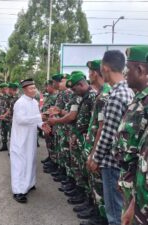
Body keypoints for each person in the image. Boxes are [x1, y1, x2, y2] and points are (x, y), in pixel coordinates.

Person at [89, 50, 134, 225]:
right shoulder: (129, 91)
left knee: (114, 213)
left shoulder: (116, 96)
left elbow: (108, 133)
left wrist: (95, 158)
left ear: (105, 68)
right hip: (122, 162)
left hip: (111, 162)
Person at [110, 46, 148, 225]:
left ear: (140, 70)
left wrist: (134, 203)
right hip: (132, 185)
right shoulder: (139, 98)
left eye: (128, 69)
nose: (125, 74)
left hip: (141, 200)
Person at [80, 60, 111, 225]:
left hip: (99, 150)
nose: (89, 74)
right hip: (93, 146)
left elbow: (102, 128)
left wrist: (94, 154)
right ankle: (95, 211)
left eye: (91, 72)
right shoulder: (100, 94)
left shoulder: (105, 95)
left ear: (96, 73)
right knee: (95, 184)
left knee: (100, 186)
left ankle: (101, 218)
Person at [10, 78, 50, 203]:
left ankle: (29, 184)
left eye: (34, 88)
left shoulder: (34, 102)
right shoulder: (20, 103)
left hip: (31, 138)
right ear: (24, 90)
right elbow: (21, 120)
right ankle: (18, 191)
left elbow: (37, 120)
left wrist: (42, 125)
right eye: (31, 88)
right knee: (20, 164)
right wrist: (40, 116)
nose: (34, 90)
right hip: (21, 139)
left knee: (31, 161)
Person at [40, 80, 58, 164]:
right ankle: (50, 157)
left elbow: (53, 110)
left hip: (51, 122)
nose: (46, 88)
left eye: (47, 86)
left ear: (51, 86)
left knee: (52, 142)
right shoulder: (50, 96)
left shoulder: (55, 97)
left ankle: (53, 160)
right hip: (46, 121)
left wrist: (44, 116)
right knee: (48, 141)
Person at [0, 83, 10, 151]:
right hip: (2, 117)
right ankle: (4, 145)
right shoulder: (1, 97)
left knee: (10, 133)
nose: (2, 90)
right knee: (3, 132)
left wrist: (5, 115)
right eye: (2, 89)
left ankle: (12, 148)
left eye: (4, 89)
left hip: (8, 118)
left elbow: (10, 108)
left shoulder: (10, 96)